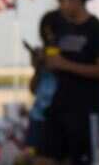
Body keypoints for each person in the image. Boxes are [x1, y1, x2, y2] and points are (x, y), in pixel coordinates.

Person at [38, 0, 99, 165]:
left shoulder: (97, 29)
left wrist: (66, 65)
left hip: (85, 111)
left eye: (63, 0)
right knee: (45, 157)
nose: (60, 6)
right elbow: (56, 63)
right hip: (59, 105)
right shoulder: (62, 28)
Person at [24, 10, 61, 154]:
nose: (50, 37)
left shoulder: (67, 51)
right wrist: (38, 67)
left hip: (60, 117)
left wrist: (48, 60)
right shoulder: (42, 53)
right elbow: (33, 89)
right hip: (39, 117)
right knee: (32, 156)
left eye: (53, 32)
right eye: (46, 34)